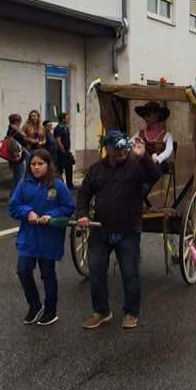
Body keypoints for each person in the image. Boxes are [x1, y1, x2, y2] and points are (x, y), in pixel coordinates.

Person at [76, 131, 161, 331]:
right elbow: (84, 194)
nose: (122, 151)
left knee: (130, 272)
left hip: (128, 229)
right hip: (101, 228)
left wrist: (143, 157)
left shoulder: (135, 166)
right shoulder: (96, 169)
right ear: (107, 149)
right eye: (117, 148)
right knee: (96, 269)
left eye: (124, 147)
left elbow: (154, 176)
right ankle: (101, 312)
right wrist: (82, 214)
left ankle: (131, 312)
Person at [9, 149, 75, 327]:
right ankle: (34, 305)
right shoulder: (23, 184)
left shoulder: (57, 185)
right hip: (28, 237)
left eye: (40, 164)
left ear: (48, 165)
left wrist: (51, 215)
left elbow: (69, 207)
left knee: (47, 274)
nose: (36, 167)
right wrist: (27, 212)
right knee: (23, 271)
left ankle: (51, 310)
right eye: (33, 164)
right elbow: (13, 206)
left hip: (49, 238)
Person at [5, 114, 28, 193]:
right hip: (18, 156)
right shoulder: (15, 131)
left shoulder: (10, 130)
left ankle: (13, 194)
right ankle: (17, 196)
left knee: (15, 177)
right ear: (17, 122)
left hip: (13, 156)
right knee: (19, 177)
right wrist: (24, 137)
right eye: (20, 121)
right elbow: (23, 142)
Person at [54, 112, 75, 189]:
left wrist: (68, 151)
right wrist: (63, 151)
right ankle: (60, 185)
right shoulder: (58, 128)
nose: (68, 119)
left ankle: (70, 185)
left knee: (69, 168)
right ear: (62, 119)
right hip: (61, 153)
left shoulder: (66, 127)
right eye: (67, 118)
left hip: (67, 151)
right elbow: (58, 141)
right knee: (60, 170)